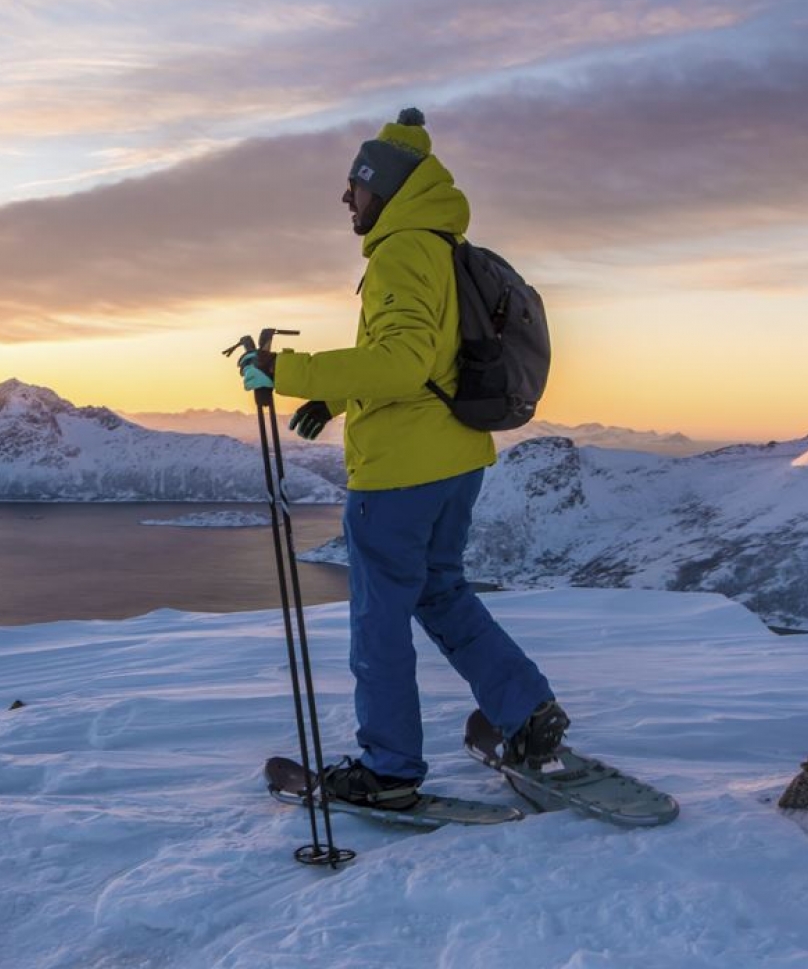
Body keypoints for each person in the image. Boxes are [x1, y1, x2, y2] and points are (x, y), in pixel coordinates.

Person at [236, 108, 568, 810]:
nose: (344, 199)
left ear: (381, 189)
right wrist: (339, 400)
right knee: (441, 593)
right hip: (454, 460)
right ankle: (528, 713)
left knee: (377, 620)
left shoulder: (401, 251)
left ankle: (388, 770)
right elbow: (430, 362)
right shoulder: (440, 246)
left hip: (399, 474)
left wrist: (284, 367)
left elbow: (400, 359)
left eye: (352, 187)